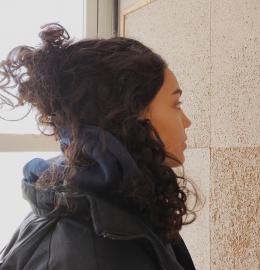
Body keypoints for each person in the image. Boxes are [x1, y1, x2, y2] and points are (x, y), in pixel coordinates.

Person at [0, 24, 198, 270]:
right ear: (129, 115)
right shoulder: (92, 254)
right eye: (176, 104)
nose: (187, 122)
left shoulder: (120, 204)